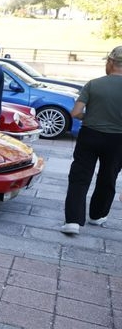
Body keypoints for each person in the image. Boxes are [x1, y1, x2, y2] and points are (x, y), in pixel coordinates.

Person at [60, 45, 122, 235]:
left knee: (79, 176)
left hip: (90, 135)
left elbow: (76, 112)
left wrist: (90, 117)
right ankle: (97, 215)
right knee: (108, 176)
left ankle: (73, 221)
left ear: (111, 63)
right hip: (118, 140)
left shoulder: (93, 84)